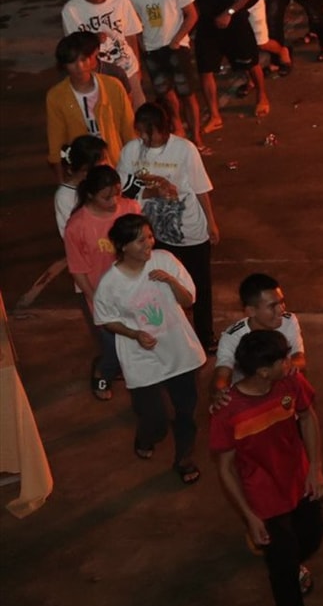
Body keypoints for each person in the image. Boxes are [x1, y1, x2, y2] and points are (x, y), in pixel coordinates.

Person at [210, 328, 323, 606]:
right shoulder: (228, 411)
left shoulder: (290, 383)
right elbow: (225, 468)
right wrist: (249, 516)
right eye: (283, 360)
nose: (290, 363)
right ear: (263, 371)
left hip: (298, 479)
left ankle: (290, 563)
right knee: (282, 560)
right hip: (263, 495)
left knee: (313, 534)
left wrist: (314, 468)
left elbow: (306, 417)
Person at [92, 212, 207, 485]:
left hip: (180, 352)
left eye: (149, 237)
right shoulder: (111, 284)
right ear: (123, 246)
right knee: (153, 417)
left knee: (185, 411)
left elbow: (189, 300)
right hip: (141, 358)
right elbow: (106, 319)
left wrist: (170, 280)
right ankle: (147, 436)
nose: (149, 244)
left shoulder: (165, 260)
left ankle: (184, 458)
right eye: (140, 240)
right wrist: (134, 333)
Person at [118, 102, 219, 346]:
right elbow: (125, 190)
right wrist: (154, 192)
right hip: (154, 234)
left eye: (147, 131)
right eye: (139, 131)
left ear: (162, 129)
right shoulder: (132, 151)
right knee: (160, 285)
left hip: (189, 229)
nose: (142, 137)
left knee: (199, 285)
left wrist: (211, 223)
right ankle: (170, 332)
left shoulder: (185, 149)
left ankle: (205, 336)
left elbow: (200, 189)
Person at [176, 0, 267, 128]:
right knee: (205, 69)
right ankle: (215, 115)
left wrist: (230, 12)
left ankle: (262, 96)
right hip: (207, 22)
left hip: (235, 21)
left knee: (250, 62)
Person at [62, 164, 139, 399]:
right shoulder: (77, 226)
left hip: (132, 291)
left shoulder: (131, 209)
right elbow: (78, 270)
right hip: (100, 295)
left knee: (134, 342)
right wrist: (96, 300)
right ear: (90, 195)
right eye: (107, 197)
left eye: (117, 193)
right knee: (113, 348)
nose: (114, 201)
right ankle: (102, 373)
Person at [124, 0, 204, 142]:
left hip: (176, 48)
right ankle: (178, 127)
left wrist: (177, 40)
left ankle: (197, 136)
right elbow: (131, 21)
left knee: (187, 93)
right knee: (166, 94)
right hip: (152, 49)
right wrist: (141, 46)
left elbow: (192, 15)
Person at [46, 32, 136, 178]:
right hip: (81, 171)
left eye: (84, 59)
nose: (79, 66)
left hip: (116, 164)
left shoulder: (113, 86)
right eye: (72, 62)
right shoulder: (56, 97)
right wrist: (63, 183)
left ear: (94, 59)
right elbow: (55, 143)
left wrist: (133, 170)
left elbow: (128, 129)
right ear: (64, 65)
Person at [213, 272, 305, 397]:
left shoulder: (289, 321)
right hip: (248, 396)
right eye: (272, 306)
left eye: (282, 302)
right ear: (251, 311)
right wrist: (220, 390)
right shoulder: (232, 336)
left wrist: (292, 365)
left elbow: (299, 357)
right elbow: (223, 372)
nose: (281, 309)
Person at [62, 0, 144, 92]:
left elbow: (131, 36)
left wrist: (137, 67)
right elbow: (74, 48)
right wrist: (93, 39)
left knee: (135, 108)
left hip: (128, 69)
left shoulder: (121, 1)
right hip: (97, 75)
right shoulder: (71, 10)